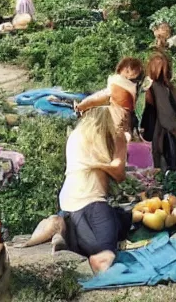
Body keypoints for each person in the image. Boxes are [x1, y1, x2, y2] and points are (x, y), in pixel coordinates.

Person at [56, 106, 130, 274]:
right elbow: (119, 173)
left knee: (123, 219)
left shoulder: (76, 134)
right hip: (91, 202)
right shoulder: (105, 135)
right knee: (105, 247)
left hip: (68, 203)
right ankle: (103, 258)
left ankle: (67, 233)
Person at [141, 52, 176, 172]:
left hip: (167, 134)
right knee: (163, 168)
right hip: (159, 135)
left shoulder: (167, 88)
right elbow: (160, 112)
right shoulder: (153, 87)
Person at [75, 57, 145, 135]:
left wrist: (83, 105)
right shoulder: (131, 86)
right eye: (129, 72)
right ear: (123, 69)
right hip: (125, 120)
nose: (130, 76)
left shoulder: (120, 83)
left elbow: (100, 97)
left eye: (134, 74)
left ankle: (80, 108)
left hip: (116, 119)